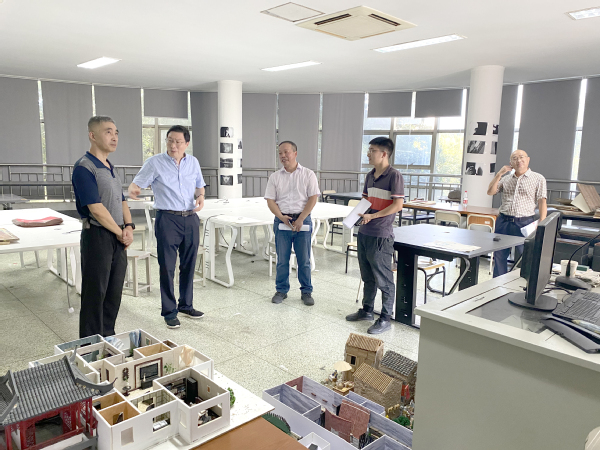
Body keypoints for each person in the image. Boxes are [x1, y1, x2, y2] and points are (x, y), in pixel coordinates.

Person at [128, 125, 205, 329]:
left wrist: (201, 196)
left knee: (189, 265)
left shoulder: (193, 162)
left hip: (190, 218)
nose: (173, 145)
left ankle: (186, 305)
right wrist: (134, 189)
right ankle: (169, 311)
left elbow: (199, 185)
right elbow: (137, 183)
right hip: (167, 219)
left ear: (186, 143)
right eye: (170, 140)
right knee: (167, 267)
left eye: (178, 141)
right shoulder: (154, 162)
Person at [72, 116, 134, 338]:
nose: (114, 137)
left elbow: (122, 201)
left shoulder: (110, 167)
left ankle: (107, 339)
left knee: (113, 293)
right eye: (108, 132)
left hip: (117, 237)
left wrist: (129, 227)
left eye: (116, 132)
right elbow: (96, 209)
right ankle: (89, 347)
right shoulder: (84, 167)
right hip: (98, 236)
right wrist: (120, 233)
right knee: (95, 294)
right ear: (93, 135)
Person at [346, 137, 404, 334]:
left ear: (384, 154)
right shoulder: (370, 175)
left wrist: (374, 216)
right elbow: (365, 202)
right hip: (364, 232)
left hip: (381, 235)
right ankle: (367, 310)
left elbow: (398, 205)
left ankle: (385, 318)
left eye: (372, 150)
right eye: (368, 150)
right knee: (367, 275)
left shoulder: (394, 176)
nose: (368, 154)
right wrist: (356, 217)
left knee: (384, 279)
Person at [265, 141, 320, 305]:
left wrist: (301, 218)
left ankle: (306, 291)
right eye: (280, 153)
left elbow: (313, 198)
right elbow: (270, 200)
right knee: (282, 259)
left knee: (304, 260)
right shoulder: (275, 177)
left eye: (286, 152)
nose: (283, 156)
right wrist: (281, 216)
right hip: (282, 220)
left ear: (295, 153)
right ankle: (281, 290)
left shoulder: (308, 174)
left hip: (303, 219)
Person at [487, 149, 547, 277]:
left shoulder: (538, 178)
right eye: (515, 158)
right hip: (503, 221)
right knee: (499, 255)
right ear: (511, 163)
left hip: (525, 222)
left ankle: (526, 284)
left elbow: (542, 201)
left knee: (527, 256)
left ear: (528, 159)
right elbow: (490, 192)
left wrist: (542, 222)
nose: (519, 160)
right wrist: (499, 174)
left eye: (521, 157)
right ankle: (498, 285)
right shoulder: (506, 179)